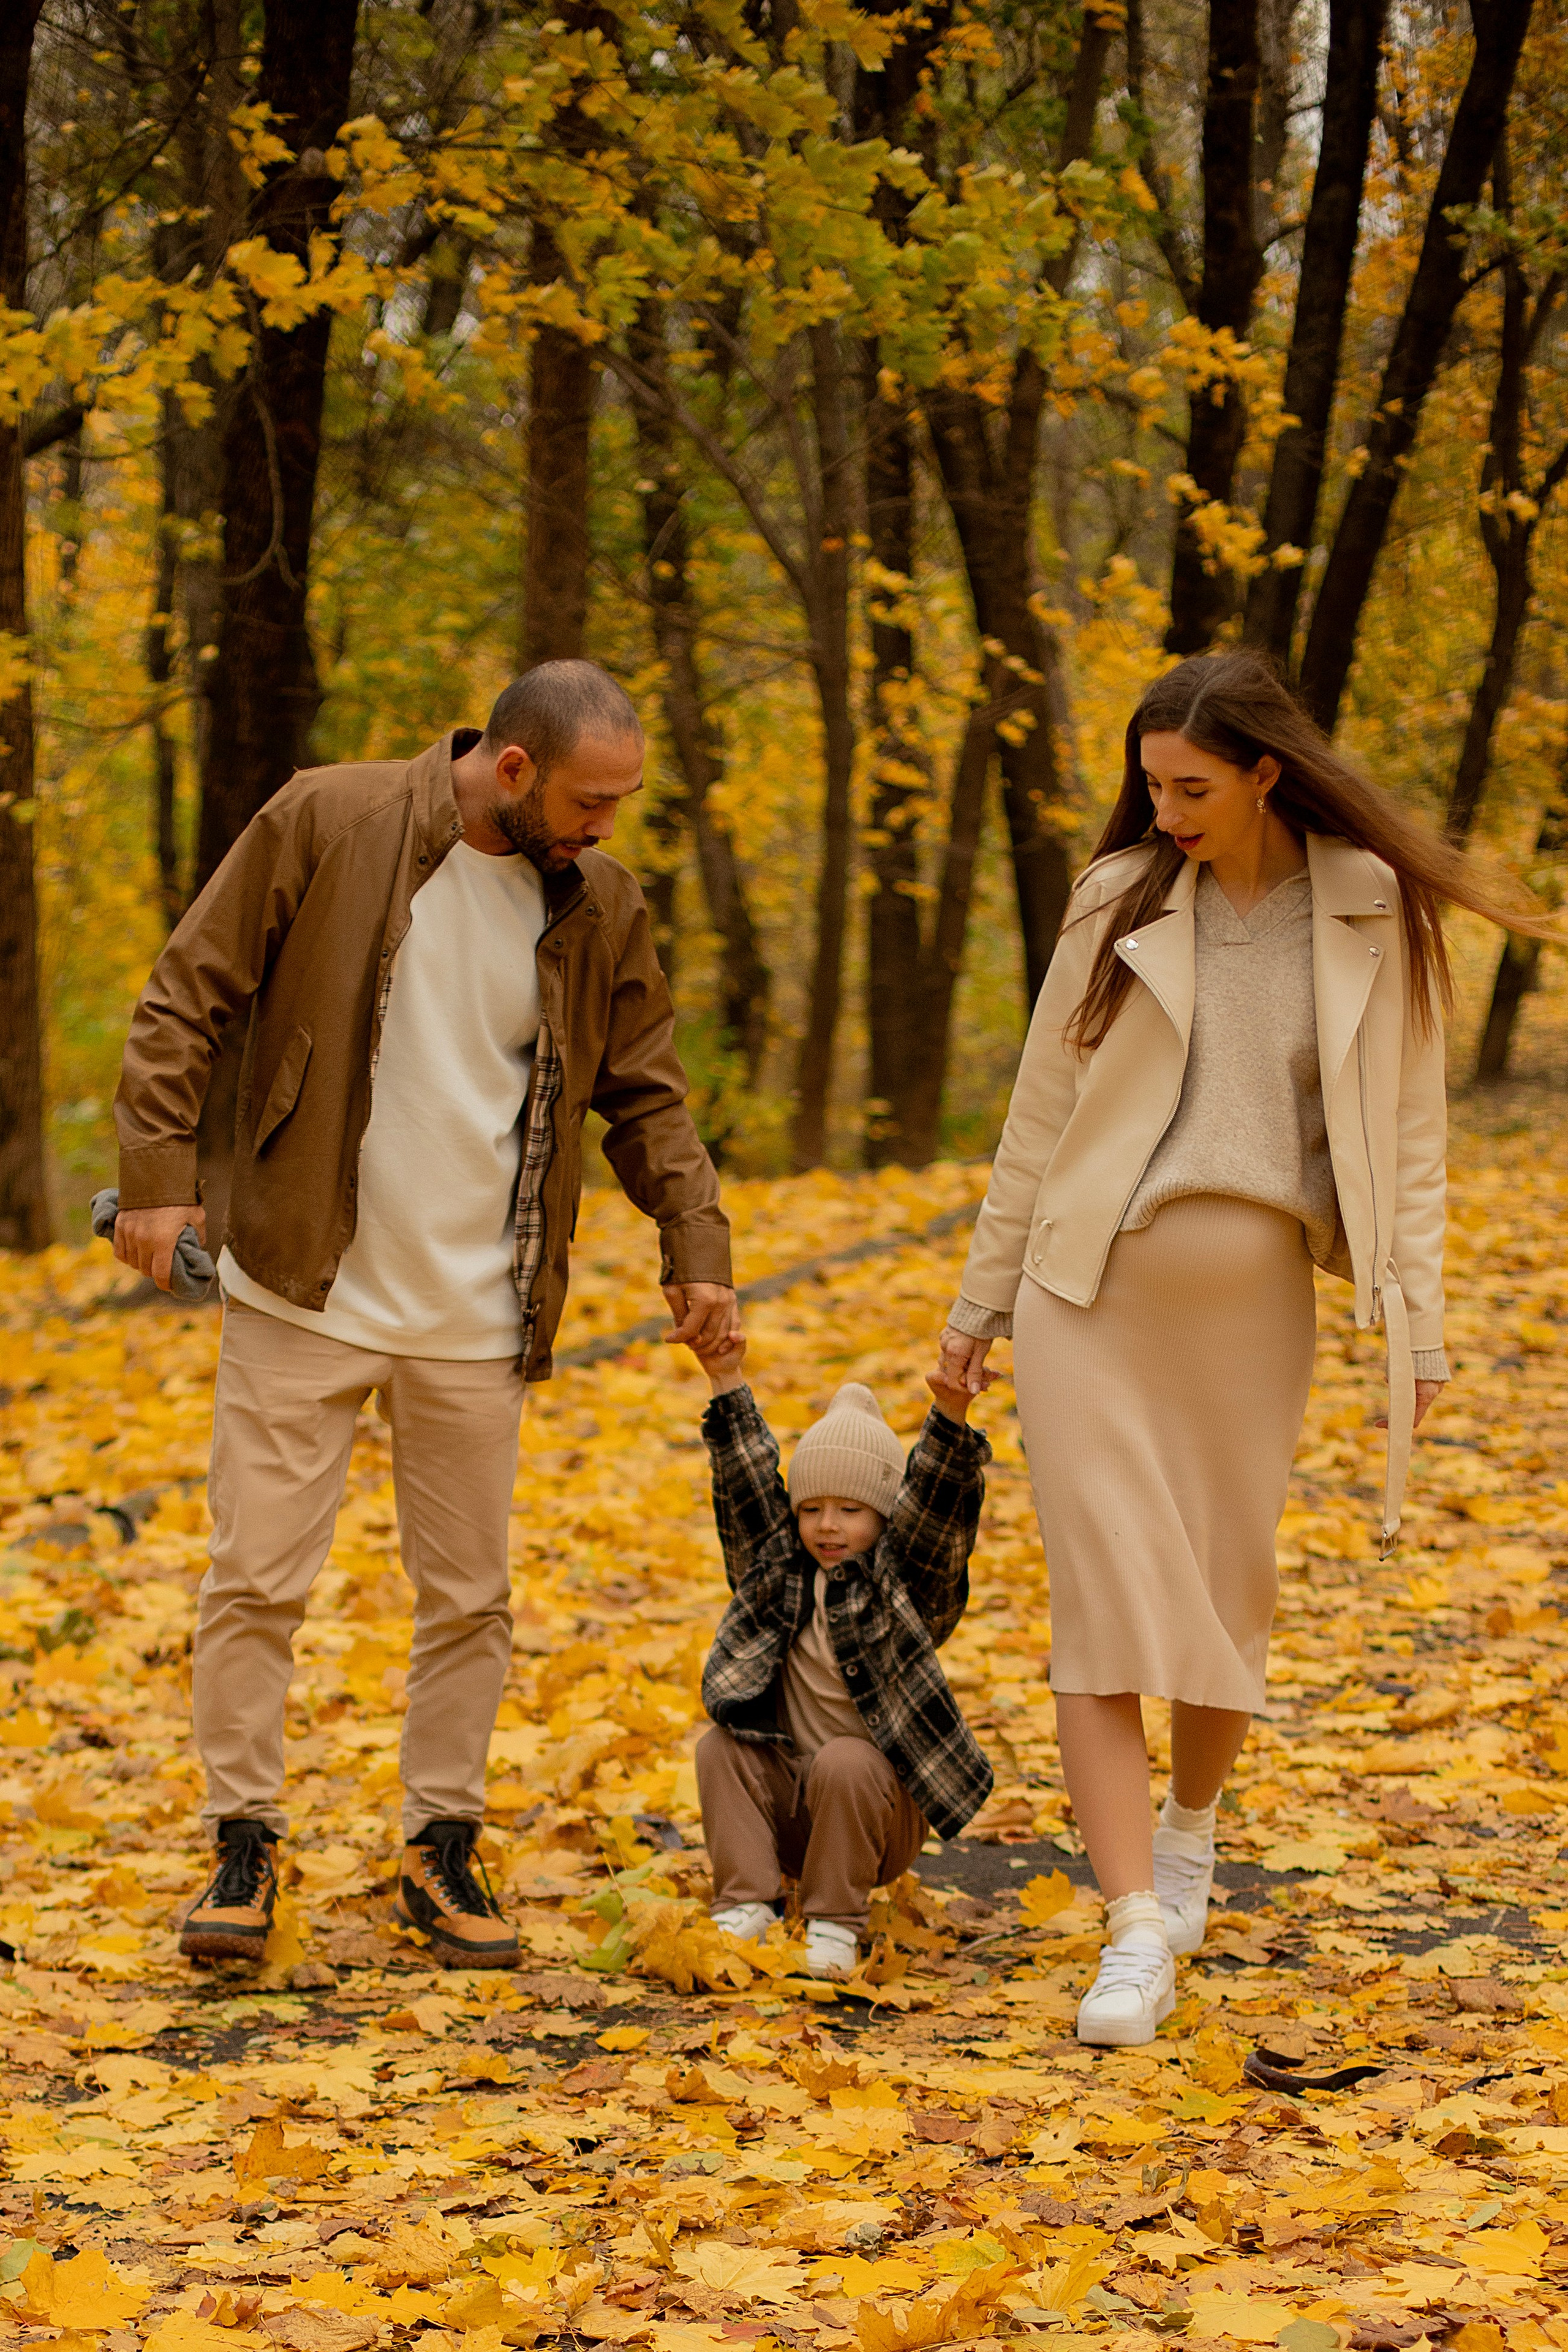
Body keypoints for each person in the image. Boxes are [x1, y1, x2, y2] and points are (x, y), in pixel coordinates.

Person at [937, 649, 1553, 2048]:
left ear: (1266, 771)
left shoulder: (1364, 910)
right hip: (1081, 1297)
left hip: (1252, 1311)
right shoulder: (1115, 903)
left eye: (1191, 786)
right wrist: (974, 1309)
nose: (1162, 810)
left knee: (1220, 1606)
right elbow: (1037, 1120)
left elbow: (1406, 1136)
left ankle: (1189, 1829)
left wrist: (1418, 1314)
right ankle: (1131, 1928)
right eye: (1149, 785)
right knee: (1097, 1610)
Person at [111, 661, 737, 1968]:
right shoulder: (324, 821)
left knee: (468, 1597)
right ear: (511, 769)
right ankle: (244, 1837)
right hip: (303, 1281)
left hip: (479, 1305)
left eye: (620, 802)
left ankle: (439, 1844)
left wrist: (696, 1243)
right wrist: (158, 1184)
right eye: (589, 799)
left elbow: (647, 1094)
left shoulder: (599, 902)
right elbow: (188, 996)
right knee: (256, 1577)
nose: (604, 826)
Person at [688, 1332, 993, 1981]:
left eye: (851, 1510)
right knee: (719, 1745)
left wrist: (950, 1418)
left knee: (847, 1759)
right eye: (812, 1509)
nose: (828, 1526)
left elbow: (937, 1515)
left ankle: (835, 1922)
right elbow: (744, 1483)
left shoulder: (904, 1584)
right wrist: (724, 1377)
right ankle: (747, 1901)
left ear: (883, 1516)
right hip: (790, 1808)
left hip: (874, 1813)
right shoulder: (777, 1570)